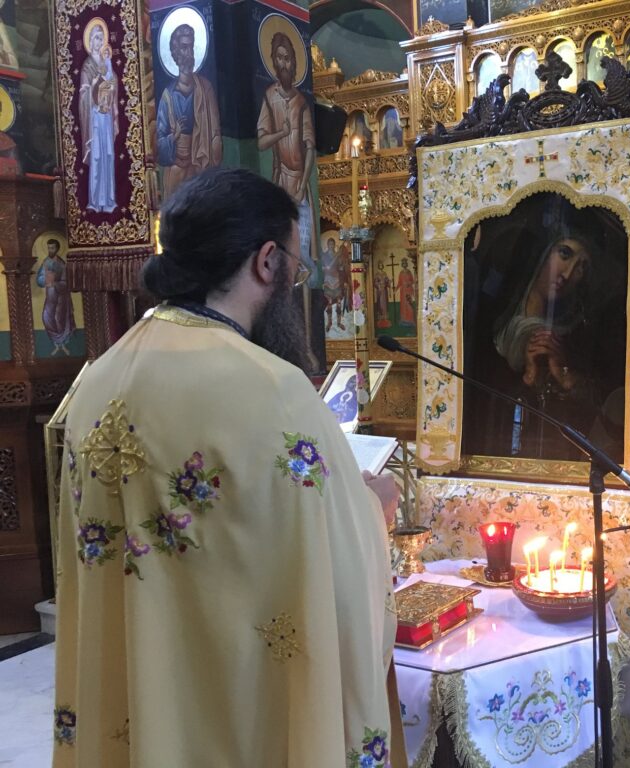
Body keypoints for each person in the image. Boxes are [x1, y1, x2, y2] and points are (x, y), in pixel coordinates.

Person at [52, 168, 406, 767]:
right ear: (266, 262)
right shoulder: (273, 390)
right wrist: (373, 508)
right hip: (234, 715)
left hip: (136, 694)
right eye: (294, 266)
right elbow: (337, 569)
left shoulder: (98, 379)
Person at [257, 32, 317, 281]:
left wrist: (302, 186)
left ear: (294, 62)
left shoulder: (301, 102)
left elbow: (310, 147)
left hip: (299, 183)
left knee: (303, 254)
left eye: (288, 58)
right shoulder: (269, 97)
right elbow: (261, 142)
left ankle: (303, 289)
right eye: (279, 58)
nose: (284, 64)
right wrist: (281, 133)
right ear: (274, 60)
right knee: (278, 251)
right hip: (279, 181)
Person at [156, 23, 223, 198]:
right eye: (184, 48)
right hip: (175, 171)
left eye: (191, 47)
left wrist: (212, 167)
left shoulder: (205, 89)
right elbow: (159, 143)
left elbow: (215, 133)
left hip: (200, 167)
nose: (189, 53)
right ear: (175, 53)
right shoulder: (167, 96)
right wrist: (174, 137)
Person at [79, 21, 117, 213]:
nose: (98, 42)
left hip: (105, 116)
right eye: (95, 38)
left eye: (101, 38)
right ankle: (94, 201)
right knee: (97, 156)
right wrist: (94, 85)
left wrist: (109, 84)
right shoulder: (87, 66)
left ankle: (109, 200)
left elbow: (113, 85)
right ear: (90, 40)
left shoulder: (105, 62)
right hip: (94, 118)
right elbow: (83, 94)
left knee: (108, 155)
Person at [35, 238, 75, 355]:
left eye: (52, 248)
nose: (50, 250)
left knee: (59, 319)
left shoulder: (62, 264)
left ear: (57, 249)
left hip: (61, 298)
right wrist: (45, 280)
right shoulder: (45, 262)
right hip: (50, 297)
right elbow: (39, 280)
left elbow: (66, 283)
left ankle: (61, 345)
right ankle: (56, 342)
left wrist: (54, 283)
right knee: (46, 317)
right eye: (48, 248)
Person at [397, 257, 416, 328]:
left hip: (408, 291)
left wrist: (408, 283)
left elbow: (412, 281)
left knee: (409, 305)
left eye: (405, 263)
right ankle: (404, 320)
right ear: (402, 264)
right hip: (403, 292)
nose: (404, 264)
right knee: (403, 306)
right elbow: (399, 283)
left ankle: (411, 320)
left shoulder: (409, 272)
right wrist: (395, 289)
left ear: (407, 264)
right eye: (403, 263)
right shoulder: (401, 273)